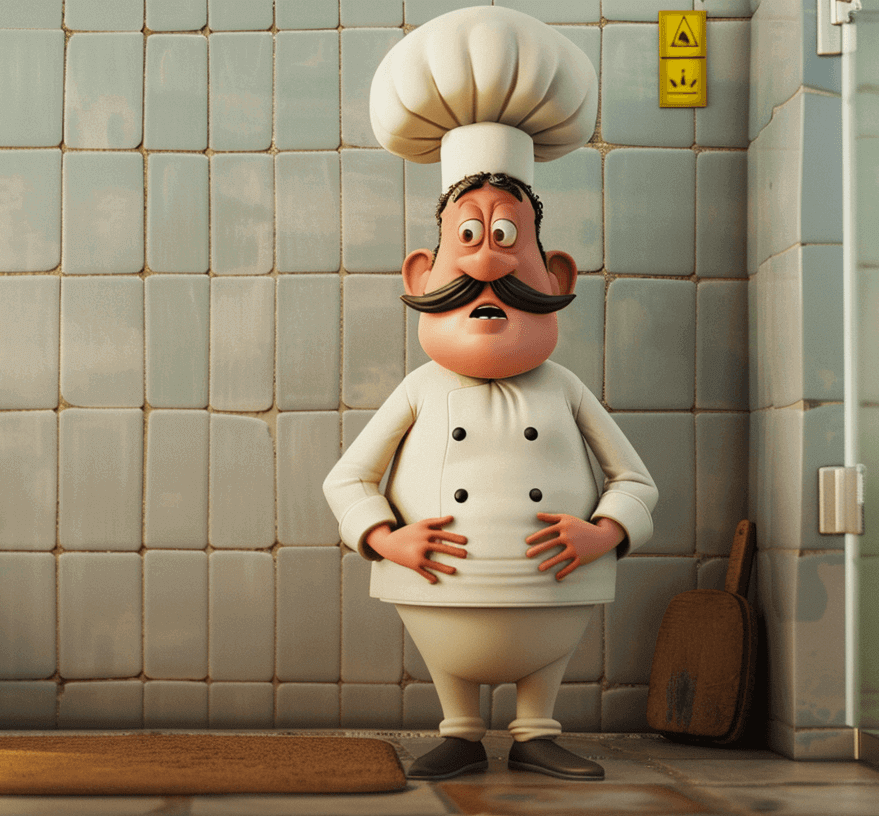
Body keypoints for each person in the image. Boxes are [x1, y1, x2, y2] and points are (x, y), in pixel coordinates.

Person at [323, 6, 657, 782]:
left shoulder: (565, 387)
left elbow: (635, 479)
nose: (484, 266)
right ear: (420, 276)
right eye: (465, 239)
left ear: (558, 278)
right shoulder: (419, 389)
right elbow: (349, 478)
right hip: (439, 582)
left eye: (507, 239)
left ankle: (538, 728)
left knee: (545, 667)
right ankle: (462, 728)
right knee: (455, 677)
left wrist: (605, 533)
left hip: (554, 584)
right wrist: (384, 538)